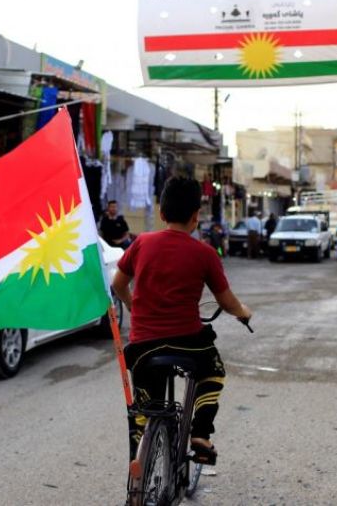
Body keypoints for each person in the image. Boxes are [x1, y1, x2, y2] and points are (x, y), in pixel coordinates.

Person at [111, 176, 252, 464]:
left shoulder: (141, 244)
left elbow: (118, 285)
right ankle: (200, 433)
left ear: (162, 213)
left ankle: (140, 451)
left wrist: (132, 307)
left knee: (144, 405)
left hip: (143, 346)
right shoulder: (205, 253)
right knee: (213, 372)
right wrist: (243, 312)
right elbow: (226, 301)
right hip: (188, 343)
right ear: (195, 217)